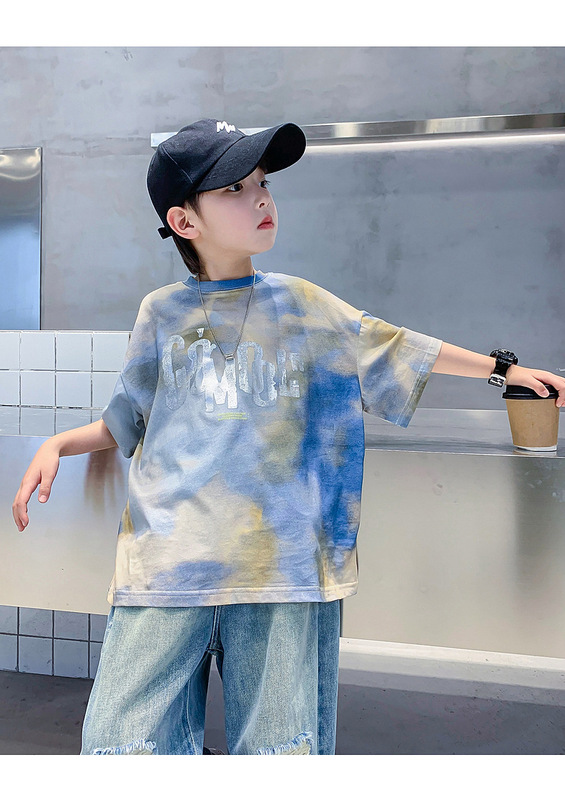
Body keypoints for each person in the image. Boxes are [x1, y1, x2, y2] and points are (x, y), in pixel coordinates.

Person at [12, 118, 565, 756]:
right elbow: (128, 417)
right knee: (118, 746)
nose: (261, 198)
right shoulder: (160, 312)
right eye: (234, 189)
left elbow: (396, 345)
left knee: (280, 752)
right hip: (169, 564)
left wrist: (504, 371)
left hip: (282, 570)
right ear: (184, 221)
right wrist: (57, 444)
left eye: (262, 183)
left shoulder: (304, 305)